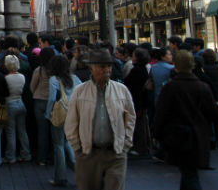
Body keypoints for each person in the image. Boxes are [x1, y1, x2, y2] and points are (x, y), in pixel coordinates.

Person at [65, 49, 136, 190]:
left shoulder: (121, 90)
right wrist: (77, 147)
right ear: (91, 68)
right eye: (102, 67)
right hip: (88, 154)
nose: (107, 70)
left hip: (115, 155)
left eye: (109, 66)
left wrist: (125, 144)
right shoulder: (80, 91)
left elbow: (130, 118)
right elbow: (71, 122)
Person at [152, 50, 218, 190]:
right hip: (199, 136)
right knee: (189, 173)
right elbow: (216, 115)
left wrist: (156, 133)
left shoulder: (170, 87)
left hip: (177, 136)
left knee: (188, 173)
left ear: (176, 66)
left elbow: (161, 112)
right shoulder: (203, 87)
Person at [46, 55, 81, 187]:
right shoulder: (75, 78)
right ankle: (79, 171)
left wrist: (48, 114)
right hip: (73, 114)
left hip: (60, 114)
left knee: (59, 145)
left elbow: (51, 99)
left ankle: (60, 177)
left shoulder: (54, 79)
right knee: (69, 143)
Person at [3, 54, 32, 163]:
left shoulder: (6, 78)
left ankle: (11, 155)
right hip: (20, 103)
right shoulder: (22, 77)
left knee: (11, 131)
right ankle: (26, 153)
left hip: (10, 104)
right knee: (22, 131)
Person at [123, 47, 151, 156]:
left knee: (138, 124)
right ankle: (143, 145)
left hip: (137, 100)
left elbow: (128, 83)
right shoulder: (143, 68)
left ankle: (140, 146)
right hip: (141, 99)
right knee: (141, 122)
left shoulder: (136, 70)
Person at [30, 46, 55, 165]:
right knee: (54, 131)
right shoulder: (57, 70)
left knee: (42, 131)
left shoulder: (39, 70)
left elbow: (32, 86)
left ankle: (42, 158)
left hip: (39, 100)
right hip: (54, 101)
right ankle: (55, 155)